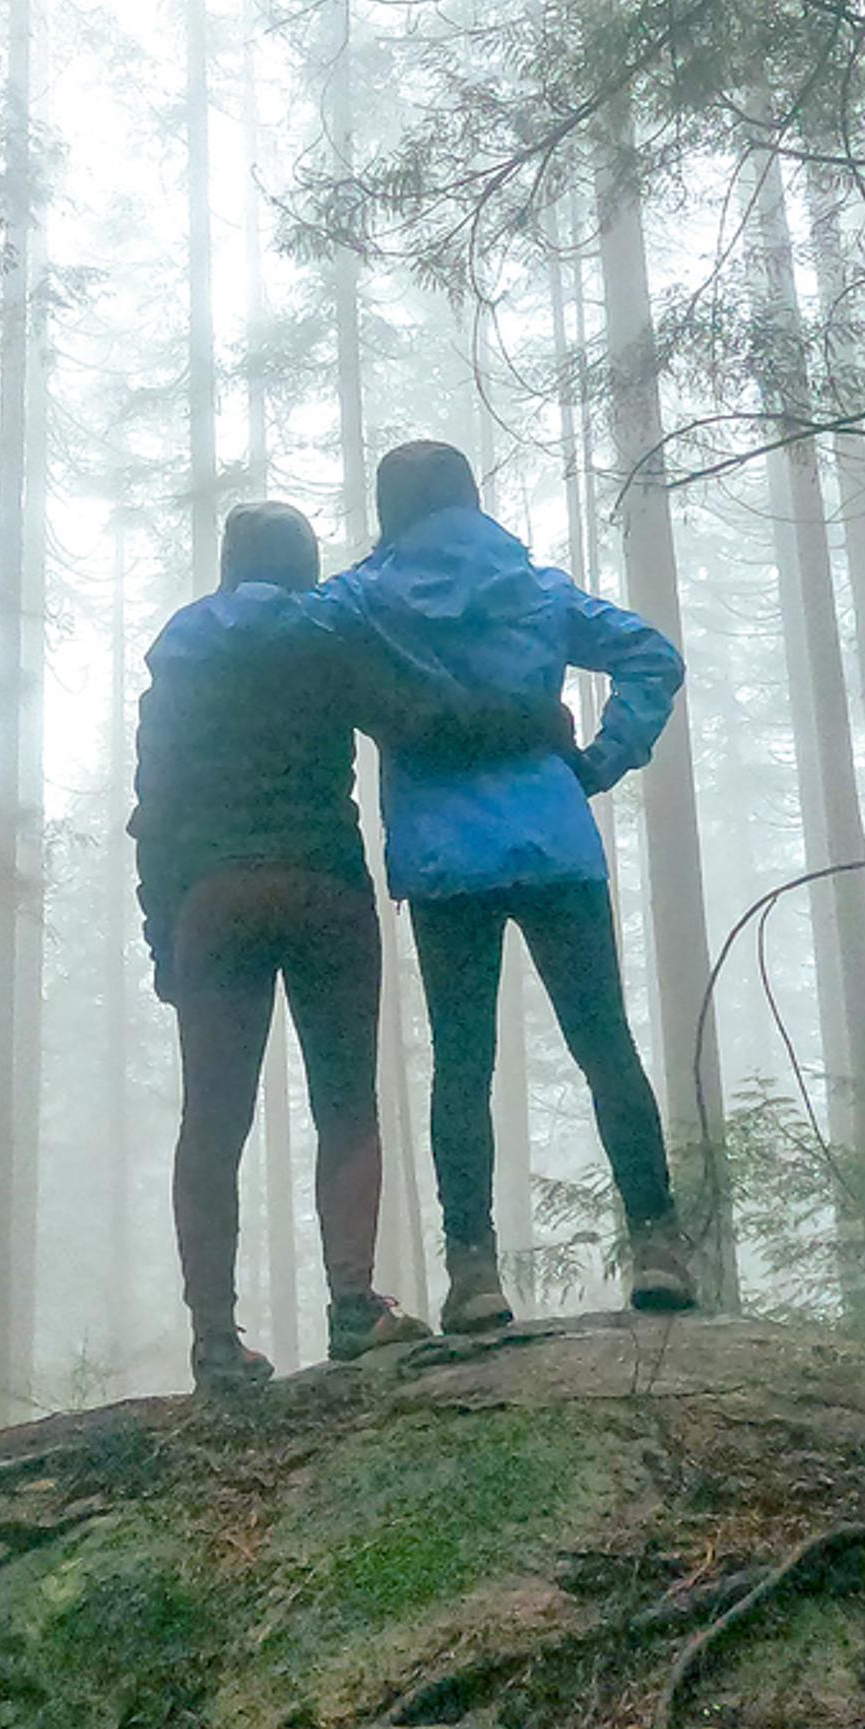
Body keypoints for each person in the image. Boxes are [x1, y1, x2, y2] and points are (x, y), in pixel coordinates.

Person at [133, 498, 567, 1393]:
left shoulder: (179, 657)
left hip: (215, 898)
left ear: (226, 564)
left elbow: (155, 809)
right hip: (324, 889)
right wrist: (534, 723)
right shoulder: (329, 634)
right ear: (305, 563)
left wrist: (162, 941)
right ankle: (352, 1304)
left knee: (211, 1123)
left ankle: (215, 1341)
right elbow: (422, 716)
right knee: (347, 1106)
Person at [323, 436, 696, 1331]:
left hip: (445, 861)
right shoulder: (534, 587)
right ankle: (657, 1246)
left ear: (391, 510)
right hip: (554, 841)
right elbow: (652, 655)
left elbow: (289, 639)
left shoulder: (364, 600)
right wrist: (603, 760)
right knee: (605, 1046)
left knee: (462, 1065)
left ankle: (475, 1273)